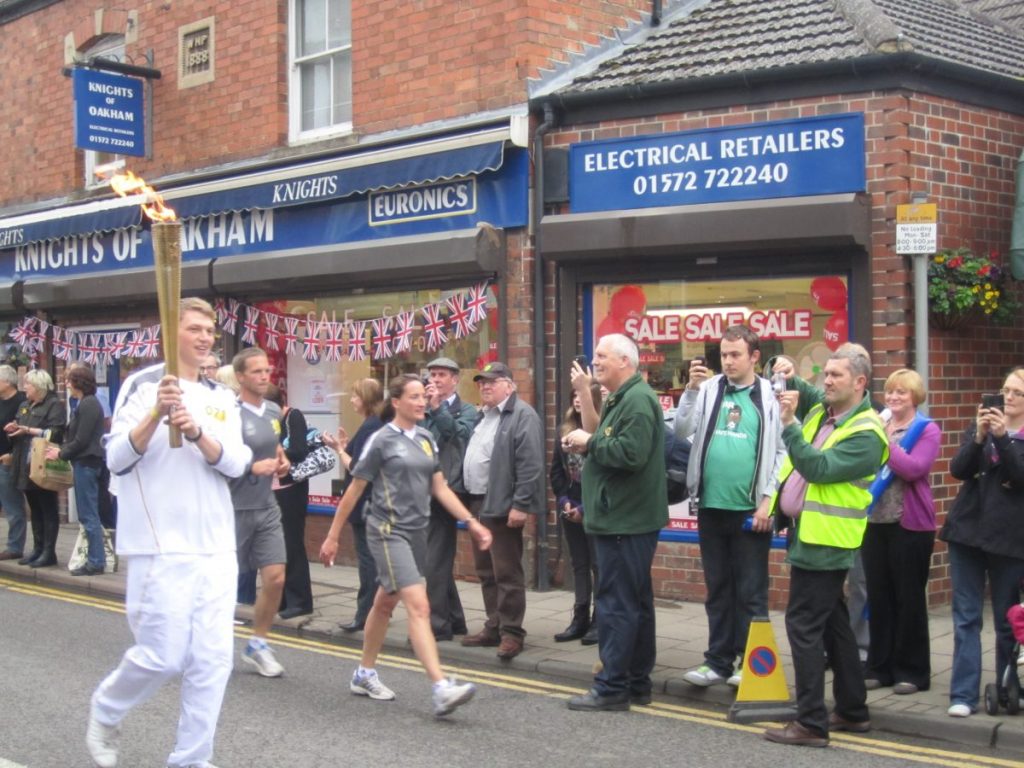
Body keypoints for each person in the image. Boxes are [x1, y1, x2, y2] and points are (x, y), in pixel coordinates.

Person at [86, 298, 251, 768]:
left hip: (216, 544)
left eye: (209, 331)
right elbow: (116, 458)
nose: (205, 338)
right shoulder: (143, 386)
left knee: (213, 662)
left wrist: (199, 433)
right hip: (159, 545)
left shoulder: (222, 398)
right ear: (170, 332)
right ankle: (107, 708)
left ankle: (191, 760)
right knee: (163, 655)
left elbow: (237, 464)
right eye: (195, 329)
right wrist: (156, 413)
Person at [318, 374, 492, 716]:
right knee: (419, 606)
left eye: (422, 396)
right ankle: (441, 688)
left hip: (417, 532)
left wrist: (471, 523)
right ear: (395, 402)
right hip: (387, 530)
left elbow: (440, 488)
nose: (421, 401)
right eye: (413, 396)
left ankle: (364, 673)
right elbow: (354, 489)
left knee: (384, 603)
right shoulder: (382, 440)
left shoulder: (426, 438)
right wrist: (333, 534)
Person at [762, 343, 887, 747]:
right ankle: (852, 710)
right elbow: (808, 393)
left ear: (860, 383)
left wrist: (788, 426)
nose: (827, 381)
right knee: (834, 625)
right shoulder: (826, 411)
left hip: (826, 541)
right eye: (826, 374)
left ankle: (811, 723)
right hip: (809, 533)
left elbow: (818, 467)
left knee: (803, 627)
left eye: (836, 375)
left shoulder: (867, 434)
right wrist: (789, 373)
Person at [673, 325, 785, 689]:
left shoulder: (769, 396)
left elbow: (783, 453)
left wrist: (768, 502)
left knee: (751, 591)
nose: (728, 361)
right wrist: (689, 390)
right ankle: (717, 661)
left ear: (754, 356)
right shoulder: (708, 389)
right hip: (710, 505)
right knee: (718, 588)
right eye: (724, 354)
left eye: (736, 354)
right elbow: (681, 429)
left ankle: (749, 662)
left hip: (750, 510)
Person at [562, 334, 668, 711]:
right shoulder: (623, 398)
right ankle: (637, 682)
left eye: (603, 356)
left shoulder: (637, 401)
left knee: (616, 604)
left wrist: (588, 444)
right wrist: (588, 427)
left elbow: (630, 454)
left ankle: (611, 687)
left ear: (626, 361)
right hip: (623, 517)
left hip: (625, 519)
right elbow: (603, 435)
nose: (596, 361)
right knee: (635, 603)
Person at [939, 366, 1024, 718]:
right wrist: (979, 436)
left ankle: (1007, 690)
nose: (1007, 397)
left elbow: (1020, 478)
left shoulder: (1011, 436)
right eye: (1005, 390)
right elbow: (958, 470)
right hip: (968, 533)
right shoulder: (981, 428)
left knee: (1008, 619)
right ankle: (963, 693)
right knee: (966, 617)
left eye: (1017, 393)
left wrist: (1003, 439)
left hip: (1009, 538)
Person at [862, 368, 941, 695]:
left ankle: (913, 671)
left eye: (902, 393)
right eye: (891, 392)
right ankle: (880, 667)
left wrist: (884, 441)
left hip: (910, 526)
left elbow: (913, 469)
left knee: (908, 599)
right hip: (874, 523)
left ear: (915, 397)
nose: (894, 398)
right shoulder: (879, 425)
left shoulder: (926, 429)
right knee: (879, 598)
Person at [460, 361, 545, 660]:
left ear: (509, 385)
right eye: (482, 382)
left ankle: (512, 632)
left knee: (506, 571)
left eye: (492, 382)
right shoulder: (481, 416)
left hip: (502, 505)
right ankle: (493, 625)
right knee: (486, 570)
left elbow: (531, 464)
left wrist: (521, 504)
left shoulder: (523, 415)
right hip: (478, 502)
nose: (485, 386)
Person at [230, 348, 292, 677]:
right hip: (231, 507)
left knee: (276, 577)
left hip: (266, 506)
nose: (265, 376)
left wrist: (282, 462)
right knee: (221, 585)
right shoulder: (227, 413)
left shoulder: (272, 411)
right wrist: (252, 466)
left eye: (266, 370)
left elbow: (276, 448)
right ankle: (195, 641)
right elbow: (214, 460)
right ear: (240, 376)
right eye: (256, 372)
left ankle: (258, 643)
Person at [421, 356, 477, 642]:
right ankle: (455, 621)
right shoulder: (425, 410)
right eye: (432, 375)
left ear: (455, 379)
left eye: (442, 374)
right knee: (436, 560)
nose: (436, 380)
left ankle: (437, 626)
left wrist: (436, 408)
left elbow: (459, 436)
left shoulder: (465, 410)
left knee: (434, 560)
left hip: (450, 491)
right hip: (424, 490)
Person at [549, 381, 603, 643]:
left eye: (583, 396)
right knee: (579, 564)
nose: (578, 401)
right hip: (571, 506)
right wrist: (564, 502)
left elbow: (604, 478)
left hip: (595, 508)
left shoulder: (601, 430)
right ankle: (579, 617)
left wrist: (584, 508)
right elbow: (557, 473)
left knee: (597, 564)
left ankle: (599, 620)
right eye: (575, 396)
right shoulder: (565, 431)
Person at [332, 377, 385, 632]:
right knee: (373, 561)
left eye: (354, 395)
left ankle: (364, 615)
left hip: (365, 504)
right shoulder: (374, 425)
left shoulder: (370, 427)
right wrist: (342, 446)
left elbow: (357, 468)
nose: (351, 400)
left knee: (368, 563)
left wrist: (340, 451)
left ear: (364, 398)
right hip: (372, 504)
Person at [50, 366, 108, 576]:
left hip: (87, 464)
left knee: (88, 514)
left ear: (78, 382)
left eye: (69, 380)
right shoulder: (83, 403)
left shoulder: (89, 404)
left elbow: (81, 439)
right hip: (84, 463)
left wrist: (60, 453)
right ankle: (95, 558)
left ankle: (96, 561)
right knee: (87, 513)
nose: (66, 384)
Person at [5, 369, 66, 568]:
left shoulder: (53, 405)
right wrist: (14, 429)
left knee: (48, 507)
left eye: (28, 385)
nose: (25, 388)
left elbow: (56, 433)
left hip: (43, 462)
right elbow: (19, 428)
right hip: (24, 463)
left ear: (39, 386)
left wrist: (28, 430)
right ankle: (37, 549)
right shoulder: (24, 405)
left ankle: (49, 552)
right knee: (35, 508)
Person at [267, 383, 314, 620]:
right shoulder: (269, 420)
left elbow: (299, 450)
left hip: (292, 490)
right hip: (274, 489)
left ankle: (301, 601)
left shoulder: (292, 417)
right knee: (279, 546)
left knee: (292, 544)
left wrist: (274, 454)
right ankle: (283, 598)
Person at [0, 365, 27, 561]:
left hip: (8, 461)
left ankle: (15, 546)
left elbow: (24, 434)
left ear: (7, 382)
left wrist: (11, 454)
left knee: (12, 505)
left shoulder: (21, 402)